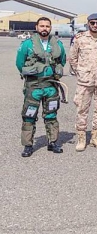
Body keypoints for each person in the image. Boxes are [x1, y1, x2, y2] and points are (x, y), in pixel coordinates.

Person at [16, 17, 67, 157]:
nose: (44, 28)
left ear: (50, 28)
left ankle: (53, 142)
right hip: (34, 85)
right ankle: (27, 145)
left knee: (51, 114)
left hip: (51, 85)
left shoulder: (58, 44)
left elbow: (62, 60)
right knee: (29, 115)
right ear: (37, 27)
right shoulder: (27, 44)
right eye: (42, 26)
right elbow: (19, 63)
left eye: (47, 26)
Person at [70, 13, 97, 152]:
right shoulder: (80, 39)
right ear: (88, 23)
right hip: (85, 80)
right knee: (82, 109)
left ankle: (95, 136)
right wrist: (81, 71)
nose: (95, 25)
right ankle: (82, 137)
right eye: (93, 23)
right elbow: (73, 58)